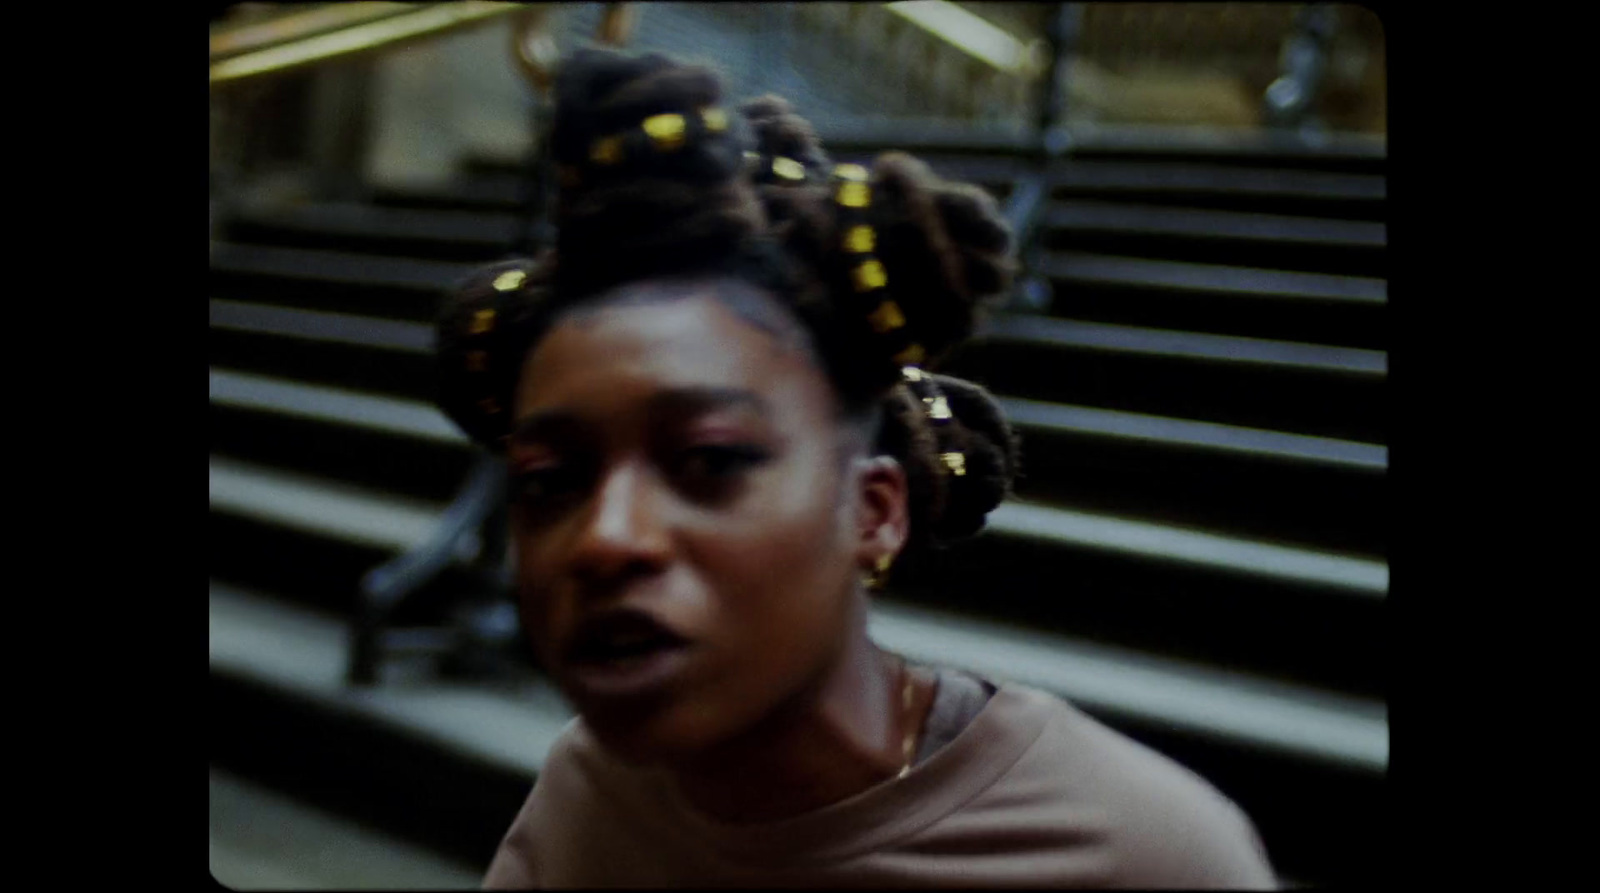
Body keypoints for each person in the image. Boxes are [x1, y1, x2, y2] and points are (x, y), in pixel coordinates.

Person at [435, 47, 1277, 889]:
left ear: (875, 512)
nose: (605, 537)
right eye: (549, 479)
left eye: (710, 460)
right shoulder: (590, 791)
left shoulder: (1145, 856)